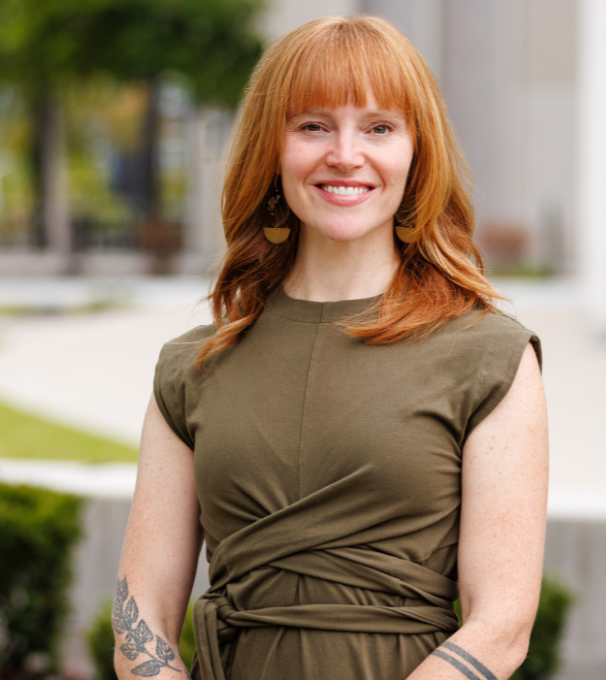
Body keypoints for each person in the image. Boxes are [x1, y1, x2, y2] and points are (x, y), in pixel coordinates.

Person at [113, 15, 548, 680]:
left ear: (415, 151)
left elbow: (503, 625)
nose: (346, 154)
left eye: (378, 127)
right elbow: (138, 614)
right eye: (313, 124)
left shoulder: (489, 356)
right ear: (273, 147)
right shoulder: (190, 368)